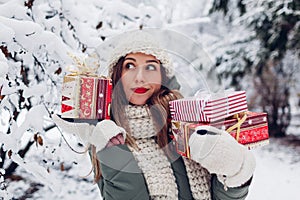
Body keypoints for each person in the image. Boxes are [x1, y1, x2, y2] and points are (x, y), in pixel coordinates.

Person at [52, 30, 256, 200]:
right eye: (130, 66)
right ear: (117, 75)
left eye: (150, 67)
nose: (140, 78)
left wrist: (235, 170)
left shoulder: (187, 123)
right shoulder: (105, 131)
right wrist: (112, 149)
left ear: (163, 76)